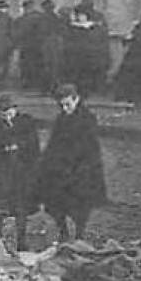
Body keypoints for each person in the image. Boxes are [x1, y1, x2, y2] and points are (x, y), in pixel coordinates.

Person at [35, 84, 106, 242]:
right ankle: (63, 231)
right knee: (53, 202)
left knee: (80, 206)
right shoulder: (61, 118)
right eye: (61, 105)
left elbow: (88, 148)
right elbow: (54, 143)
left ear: (76, 99)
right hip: (62, 168)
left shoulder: (87, 118)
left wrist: (75, 165)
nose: (65, 108)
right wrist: (45, 162)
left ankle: (80, 234)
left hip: (82, 169)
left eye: (68, 104)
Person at [0, 93, 42, 252]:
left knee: (21, 208)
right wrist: (3, 146)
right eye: (3, 114)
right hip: (1, 173)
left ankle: (21, 240)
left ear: (15, 109)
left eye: (9, 113)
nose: (6, 116)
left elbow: (33, 145)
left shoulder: (26, 122)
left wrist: (17, 145)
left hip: (21, 173)